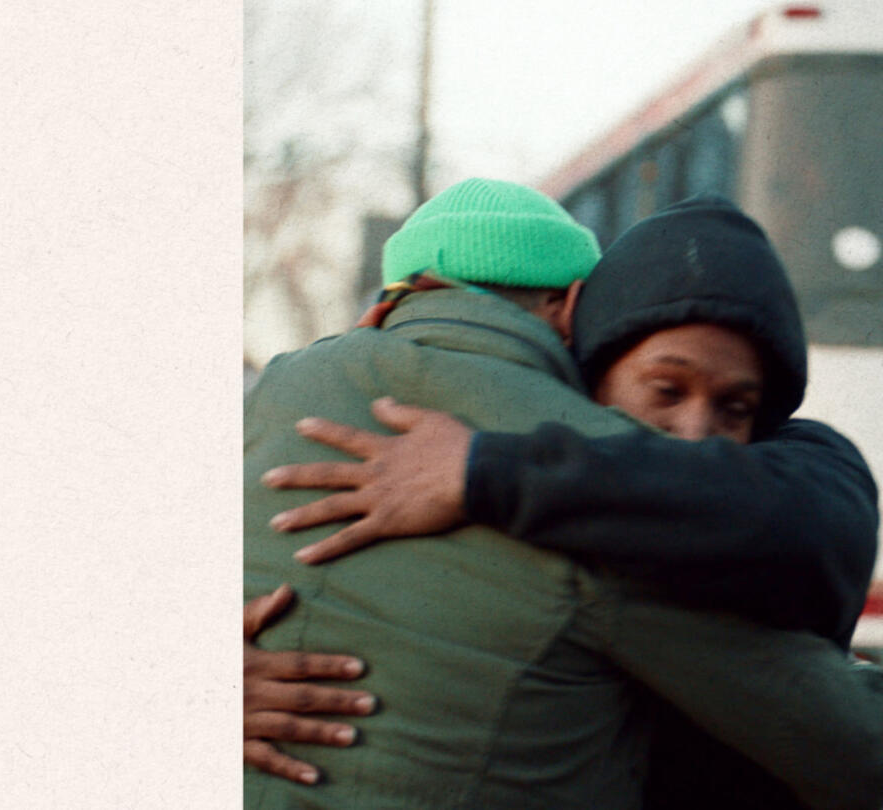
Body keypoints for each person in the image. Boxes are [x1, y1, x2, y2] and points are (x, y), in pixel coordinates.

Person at [243, 186, 883, 809]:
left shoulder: (275, 392)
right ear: (576, 310)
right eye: (665, 390)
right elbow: (847, 744)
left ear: (386, 305)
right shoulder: (597, 492)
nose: (695, 436)